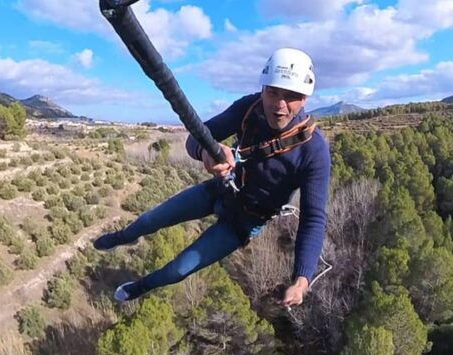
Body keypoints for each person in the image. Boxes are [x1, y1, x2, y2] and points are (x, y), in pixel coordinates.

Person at [93, 47, 331, 308]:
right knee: (151, 219)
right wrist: (207, 152)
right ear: (263, 89)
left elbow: (313, 218)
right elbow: (196, 137)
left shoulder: (314, 151)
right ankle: (123, 237)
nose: (279, 105)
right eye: (273, 92)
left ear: (305, 98)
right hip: (221, 190)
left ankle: (140, 286)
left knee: (178, 270)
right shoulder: (249, 109)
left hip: (245, 221)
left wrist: (301, 279)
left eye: (291, 96)